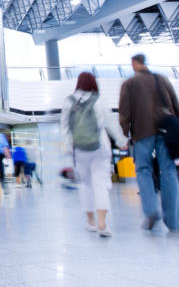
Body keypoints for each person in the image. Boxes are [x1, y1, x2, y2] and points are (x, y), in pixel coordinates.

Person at [119, 53, 179, 232]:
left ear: (134, 63)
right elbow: (176, 106)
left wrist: (123, 137)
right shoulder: (162, 80)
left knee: (143, 170)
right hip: (166, 132)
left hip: (142, 132)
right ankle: (175, 223)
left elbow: (124, 113)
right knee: (169, 172)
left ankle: (151, 210)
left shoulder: (129, 84)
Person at [62, 72, 127, 236]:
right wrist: (121, 141)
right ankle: (102, 224)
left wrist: (70, 147)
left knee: (85, 185)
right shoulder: (99, 100)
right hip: (100, 147)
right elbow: (112, 124)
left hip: (79, 149)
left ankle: (91, 222)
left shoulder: (69, 101)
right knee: (101, 183)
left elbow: (65, 128)